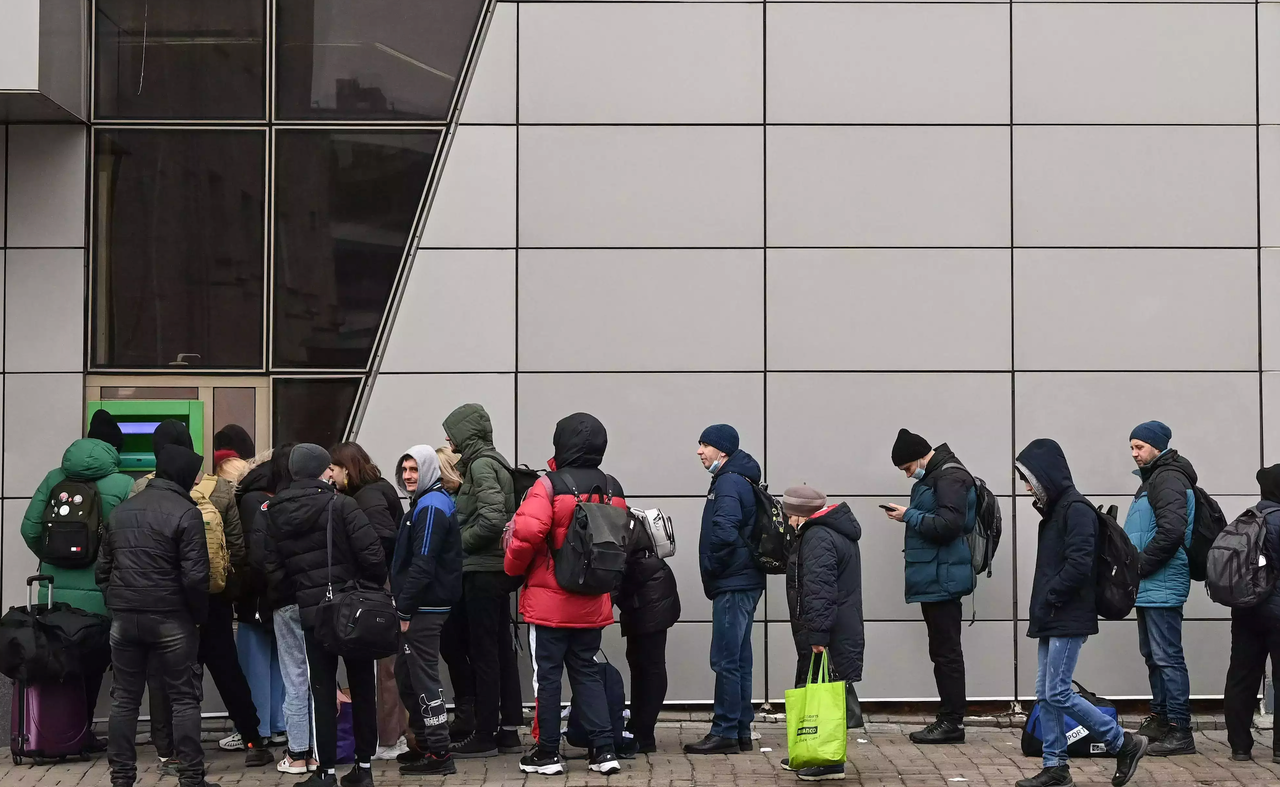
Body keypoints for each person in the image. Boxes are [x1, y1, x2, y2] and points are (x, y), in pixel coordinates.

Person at [131, 421, 270, 768]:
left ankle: (171, 750)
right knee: (227, 670)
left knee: (168, 676)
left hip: (164, 600)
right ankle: (253, 740)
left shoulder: (141, 489)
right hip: (211, 598)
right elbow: (236, 548)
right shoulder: (219, 488)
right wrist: (226, 590)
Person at [1014, 438, 1148, 787]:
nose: (1026, 487)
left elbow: (1079, 565)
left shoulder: (1076, 510)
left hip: (1067, 615)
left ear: (1045, 476)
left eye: (1029, 480)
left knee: (1058, 692)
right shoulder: (1057, 511)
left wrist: (1052, 596)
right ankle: (1056, 766)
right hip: (1052, 615)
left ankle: (1123, 743)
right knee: (1046, 694)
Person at [505, 413, 624, 776]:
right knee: (587, 672)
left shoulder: (549, 485)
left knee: (548, 676)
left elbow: (526, 535)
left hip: (550, 603)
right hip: (592, 600)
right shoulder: (612, 486)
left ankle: (546, 752)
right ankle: (604, 750)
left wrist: (511, 569)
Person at [262, 444, 387, 787]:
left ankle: (325, 771)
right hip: (352, 610)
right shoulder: (341, 504)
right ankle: (363, 767)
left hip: (312, 613)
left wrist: (300, 593)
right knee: (362, 686)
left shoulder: (275, 511)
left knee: (320, 690)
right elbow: (373, 555)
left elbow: (272, 568)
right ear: (322, 470)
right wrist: (364, 587)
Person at [98, 444, 215, 787]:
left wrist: (117, 602)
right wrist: (197, 616)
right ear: (183, 475)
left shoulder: (121, 511)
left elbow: (102, 570)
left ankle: (122, 778)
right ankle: (191, 777)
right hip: (171, 617)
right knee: (183, 698)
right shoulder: (186, 513)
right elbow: (196, 577)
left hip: (125, 619)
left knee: (124, 700)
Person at [21, 409, 134, 749]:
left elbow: (29, 528)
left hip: (53, 590)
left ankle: (51, 732)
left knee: (56, 659)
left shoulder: (54, 478)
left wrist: (52, 556)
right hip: (98, 593)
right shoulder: (123, 484)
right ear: (115, 449)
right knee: (92, 661)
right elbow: (127, 540)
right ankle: (80, 733)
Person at [882, 429, 974, 744]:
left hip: (942, 578)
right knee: (942, 651)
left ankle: (952, 722)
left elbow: (949, 525)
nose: (909, 474)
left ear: (921, 457)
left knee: (946, 652)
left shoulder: (949, 478)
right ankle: (948, 719)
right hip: (937, 576)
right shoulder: (938, 476)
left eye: (908, 468)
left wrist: (909, 516)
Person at [442, 404, 524, 758]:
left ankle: (485, 734)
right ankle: (507, 731)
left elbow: (492, 519)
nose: (448, 439)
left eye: (452, 432)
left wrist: (457, 545)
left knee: (484, 653)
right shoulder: (493, 461)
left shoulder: (480, 465)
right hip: (493, 571)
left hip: (481, 573)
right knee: (500, 650)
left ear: (466, 434)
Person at [686, 424, 765, 755]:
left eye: (705, 445)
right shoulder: (740, 478)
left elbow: (725, 532)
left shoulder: (729, 481)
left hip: (733, 582)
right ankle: (741, 729)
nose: (699, 451)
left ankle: (725, 731)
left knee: (725, 659)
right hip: (744, 580)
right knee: (739, 658)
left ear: (723, 450)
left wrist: (714, 566)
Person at [328, 442, 408, 761]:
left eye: (334, 468)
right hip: (386, 584)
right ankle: (393, 735)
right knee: (388, 665)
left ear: (347, 469)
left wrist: (371, 577)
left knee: (382, 668)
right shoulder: (375, 490)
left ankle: (388, 738)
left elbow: (383, 538)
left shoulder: (368, 496)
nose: (330, 475)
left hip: (379, 587)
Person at [1122, 420, 1196, 756]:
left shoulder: (1168, 478)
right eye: (1132, 447)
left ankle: (1180, 729)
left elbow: (1172, 532)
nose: (1134, 453)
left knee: (1167, 657)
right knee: (1154, 655)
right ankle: (1161, 719)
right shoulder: (1153, 479)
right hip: (1150, 583)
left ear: (1157, 446)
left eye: (1139, 447)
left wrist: (1139, 566)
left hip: (1161, 580)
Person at [782, 485, 864, 782]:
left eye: (789, 515)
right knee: (821, 689)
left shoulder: (818, 536)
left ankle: (828, 761)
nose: (788, 521)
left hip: (827, 629)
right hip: (835, 625)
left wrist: (817, 635)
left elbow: (820, 590)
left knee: (826, 694)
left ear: (799, 514)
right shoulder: (831, 531)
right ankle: (811, 750)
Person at [390, 446, 463, 776]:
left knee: (423, 679)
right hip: (422, 604)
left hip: (424, 607)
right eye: (404, 469)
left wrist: (404, 610)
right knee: (407, 675)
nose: (408, 475)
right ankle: (425, 744)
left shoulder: (431, 505)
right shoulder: (426, 502)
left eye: (414, 469)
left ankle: (439, 753)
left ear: (429, 470)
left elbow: (423, 563)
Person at [249, 446, 319, 775]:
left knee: (294, 677)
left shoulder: (268, 509)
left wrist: (278, 587)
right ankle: (320, 751)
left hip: (286, 602)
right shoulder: (330, 503)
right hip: (322, 601)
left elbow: (260, 559)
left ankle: (297, 752)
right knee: (321, 676)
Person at [236, 449, 296, 771]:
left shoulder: (250, 499)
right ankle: (276, 724)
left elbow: (250, 553)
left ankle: (259, 726)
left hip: (256, 595)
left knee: (256, 659)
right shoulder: (278, 498)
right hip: (278, 593)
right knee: (277, 660)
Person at [614, 493, 681, 755]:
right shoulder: (622, 516)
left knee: (650, 665)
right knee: (639, 662)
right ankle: (639, 728)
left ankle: (643, 732)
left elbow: (616, 566)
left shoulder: (618, 520)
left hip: (650, 596)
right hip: (646, 594)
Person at [1222, 465, 1280, 763]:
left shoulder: (1246, 519)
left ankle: (1240, 746)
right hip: (1278, 611)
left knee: (1242, 676)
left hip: (1246, 610)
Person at [435, 446, 476, 743]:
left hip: (454, 585)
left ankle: (466, 714)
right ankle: (468, 711)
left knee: (454, 651)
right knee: (458, 652)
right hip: (460, 582)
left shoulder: (451, 502)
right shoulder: (459, 499)